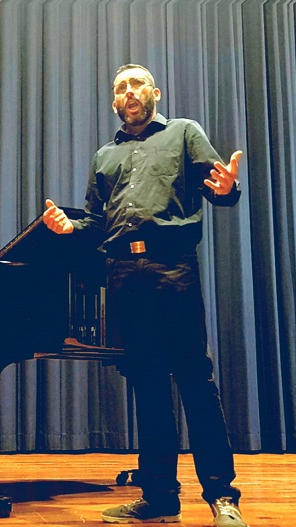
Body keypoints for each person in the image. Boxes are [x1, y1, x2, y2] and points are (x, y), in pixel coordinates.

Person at [42, 64, 249, 526]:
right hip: (121, 276)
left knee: (195, 383)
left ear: (154, 91)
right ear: (115, 101)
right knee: (149, 391)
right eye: (120, 87)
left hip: (171, 269)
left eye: (136, 84)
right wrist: (69, 227)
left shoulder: (183, 133)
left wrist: (228, 190)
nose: (129, 92)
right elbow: (95, 223)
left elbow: (219, 190)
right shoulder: (104, 157)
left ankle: (222, 496)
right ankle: (158, 497)